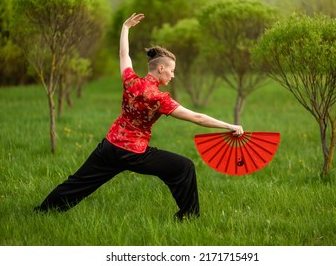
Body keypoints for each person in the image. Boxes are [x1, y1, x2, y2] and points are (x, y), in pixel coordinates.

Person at [34, 13, 243, 220]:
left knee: (79, 182)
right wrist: (228, 126)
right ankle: (188, 216)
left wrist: (125, 27)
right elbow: (197, 118)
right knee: (184, 166)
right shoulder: (160, 99)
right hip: (135, 153)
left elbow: (123, 55)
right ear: (161, 68)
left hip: (110, 146)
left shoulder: (131, 80)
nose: (173, 75)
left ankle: (42, 212)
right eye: (172, 71)